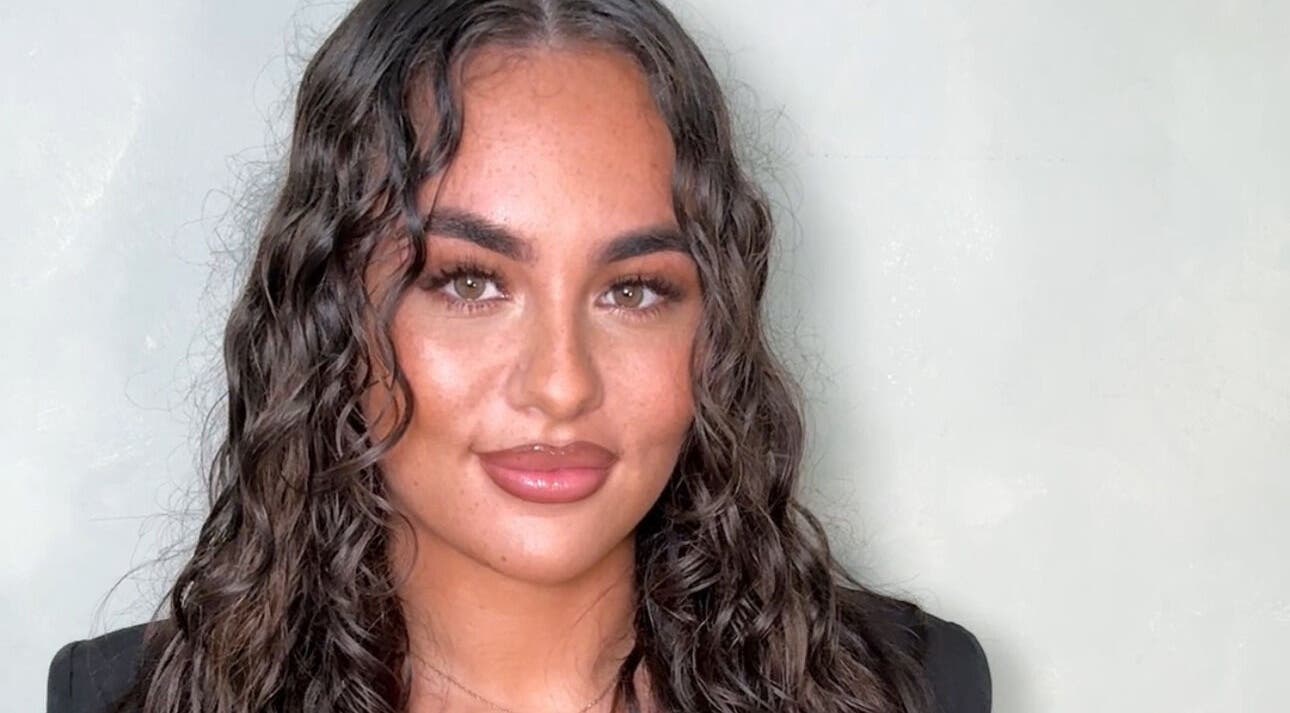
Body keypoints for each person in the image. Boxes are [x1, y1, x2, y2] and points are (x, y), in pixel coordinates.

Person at [46, 1, 992, 712]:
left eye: (634, 290)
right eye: (469, 282)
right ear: (331, 310)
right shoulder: (133, 695)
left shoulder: (911, 685)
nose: (561, 383)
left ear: (716, 330)